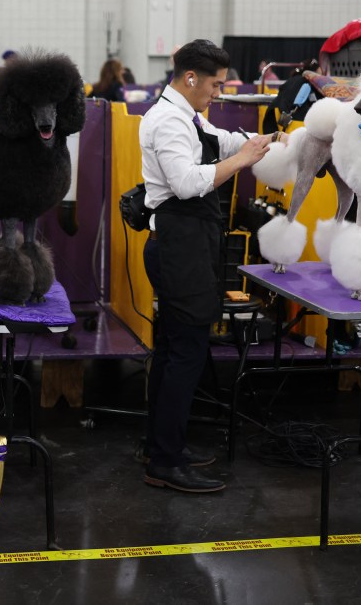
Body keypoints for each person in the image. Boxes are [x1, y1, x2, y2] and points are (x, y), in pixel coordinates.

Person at [139, 39, 278, 493]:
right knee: (187, 352)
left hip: (185, 247)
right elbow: (184, 183)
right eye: (215, 85)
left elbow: (218, 140)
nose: (218, 93)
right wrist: (242, 161)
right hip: (178, 250)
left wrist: (265, 143)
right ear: (191, 77)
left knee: (173, 350)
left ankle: (163, 447)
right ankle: (164, 460)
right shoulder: (167, 121)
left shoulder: (185, 115)